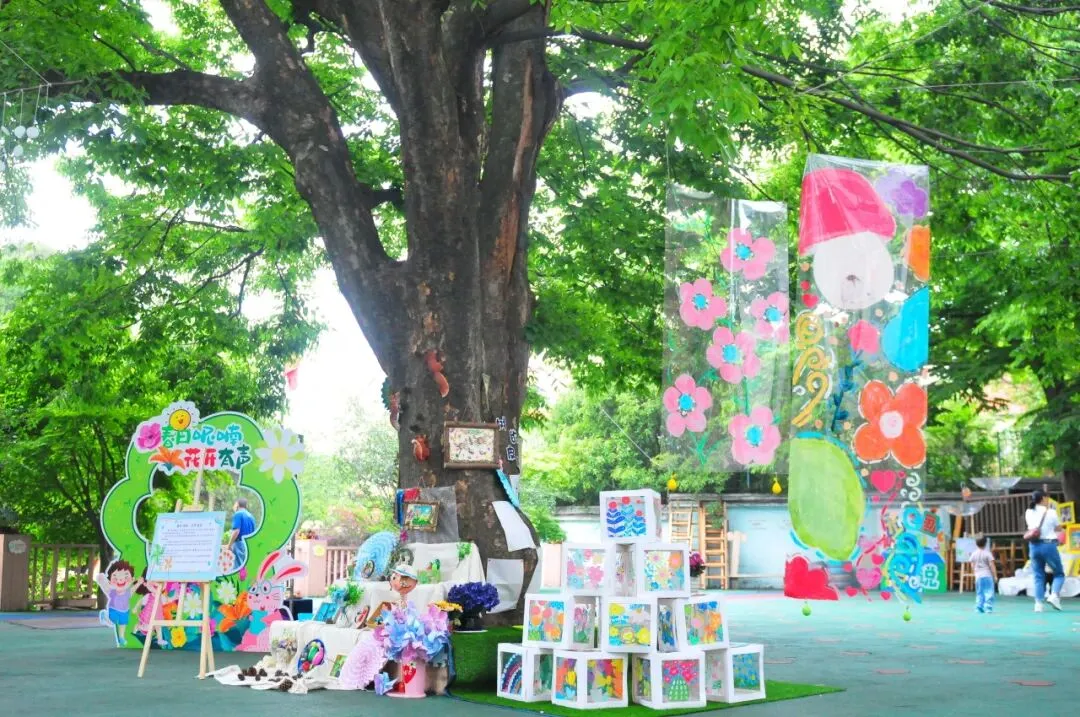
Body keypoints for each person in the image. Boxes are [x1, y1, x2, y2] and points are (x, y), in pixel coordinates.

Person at [1024, 490, 1064, 612]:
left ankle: (1038, 604)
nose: (1048, 500)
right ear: (1043, 498)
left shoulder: (1028, 512)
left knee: (1038, 575)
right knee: (1059, 573)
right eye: (1047, 498)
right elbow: (1058, 528)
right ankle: (1054, 595)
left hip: (1033, 546)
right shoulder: (1051, 512)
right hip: (1048, 545)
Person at [970, 536, 997, 613]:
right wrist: (995, 575)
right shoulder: (987, 553)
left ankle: (979, 607)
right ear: (986, 543)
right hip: (987, 575)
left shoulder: (974, 553)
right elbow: (992, 565)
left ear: (976, 544)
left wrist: (975, 572)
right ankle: (988, 607)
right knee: (989, 591)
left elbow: (972, 564)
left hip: (978, 576)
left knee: (979, 592)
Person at [228, 498, 257, 569]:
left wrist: (229, 545)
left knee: (238, 567)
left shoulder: (238, 514)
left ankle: (240, 576)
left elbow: (236, 531)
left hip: (239, 544)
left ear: (237, 504)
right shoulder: (251, 516)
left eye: (234, 504)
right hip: (248, 545)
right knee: (245, 567)